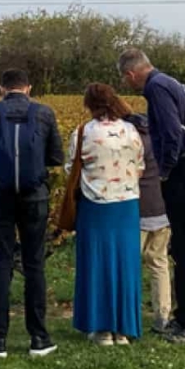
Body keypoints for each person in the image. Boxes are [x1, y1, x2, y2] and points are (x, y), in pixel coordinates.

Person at [118, 49, 185, 345]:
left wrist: (166, 170)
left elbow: (171, 133)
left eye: (125, 78)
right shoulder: (167, 82)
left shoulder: (156, 88)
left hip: (184, 169)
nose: (126, 83)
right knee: (184, 246)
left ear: (131, 73)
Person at [0, 69, 64, 358]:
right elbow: (57, 158)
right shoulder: (44, 113)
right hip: (35, 197)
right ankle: (39, 337)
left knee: (1, 264)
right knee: (35, 265)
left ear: (1, 88)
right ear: (28, 87)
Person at [70, 84, 145, 345]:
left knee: (96, 263)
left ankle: (100, 328)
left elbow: (72, 167)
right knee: (125, 264)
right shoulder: (131, 131)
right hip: (127, 205)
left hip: (95, 205)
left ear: (89, 105)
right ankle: (123, 328)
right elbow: (140, 166)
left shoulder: (84, 132)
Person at [123, 110, 172, 334]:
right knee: (159, 264)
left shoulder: (132, 144)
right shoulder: (159, 141)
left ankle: (129, 315)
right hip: (162, 209)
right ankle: (163, 316)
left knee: (130, 265)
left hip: (138, 211)